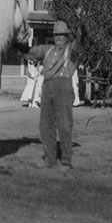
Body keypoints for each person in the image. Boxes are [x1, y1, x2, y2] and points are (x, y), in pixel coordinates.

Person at [22, 20, 84, 173]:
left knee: (64, 125)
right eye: (56, 35)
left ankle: (66, 161)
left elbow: (82, 40)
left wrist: (81, 22)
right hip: (47, 88)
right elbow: (30, 52)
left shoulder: (72, 51)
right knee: (45, 126)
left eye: (62, 35)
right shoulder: (47, 50)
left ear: (67, 37)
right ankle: (50, 159)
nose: (59, 38)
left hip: (63, 88)